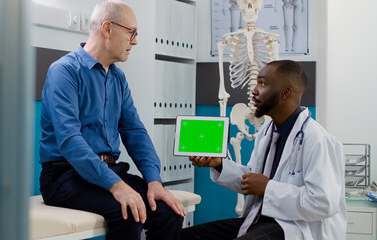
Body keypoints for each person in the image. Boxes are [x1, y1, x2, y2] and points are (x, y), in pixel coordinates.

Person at [39, 1, 185, 239]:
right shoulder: (63, 72)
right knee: (127, 211)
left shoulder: (118, 78)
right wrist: (117, 187)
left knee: (169, 212)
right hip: (64, 175)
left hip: (108, 170)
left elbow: (135, 132)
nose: (135, 41)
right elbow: (70, 141)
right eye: (131, 33)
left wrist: (154, 181)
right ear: (107, 29)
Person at [181, 60, 346, 240]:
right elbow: (252, 179)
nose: (254, 90)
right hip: (259, 219)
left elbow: (323, 203)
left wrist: (268, 188)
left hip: (296, 227)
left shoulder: (318, 140)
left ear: (285, 93)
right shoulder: (267, 132)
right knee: (180, 237)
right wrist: (220, 165)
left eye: (263, 83)